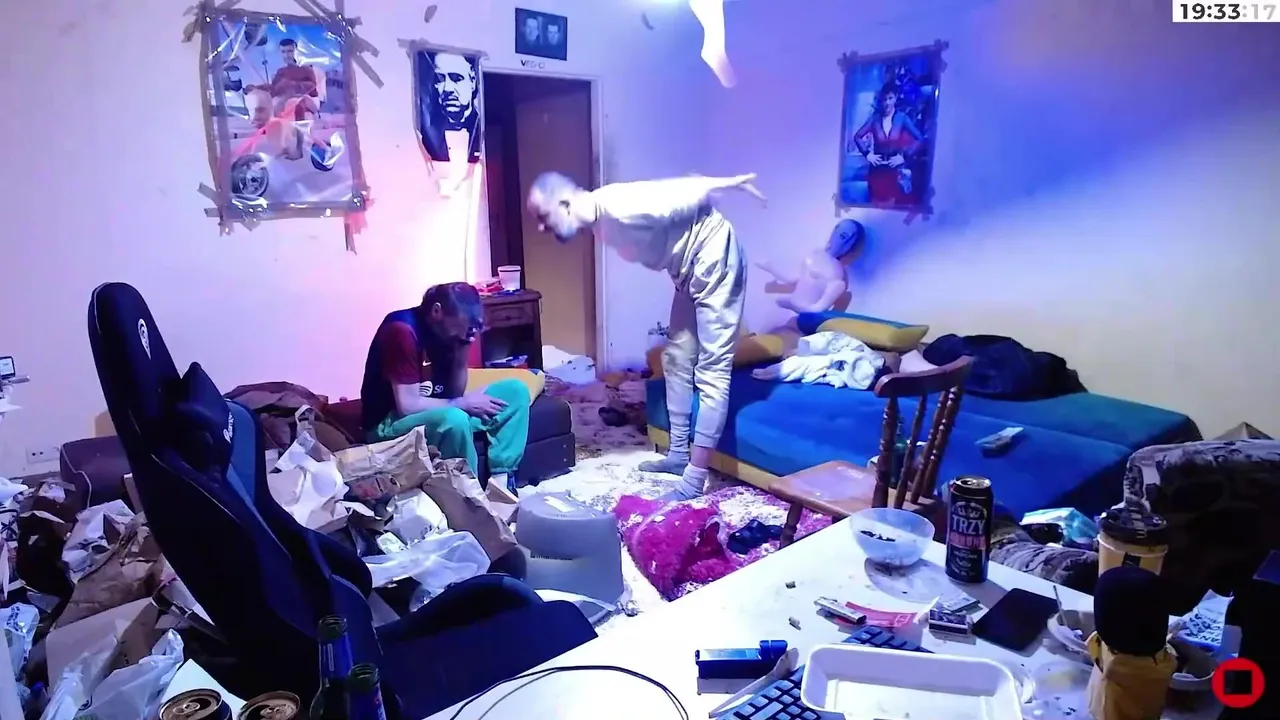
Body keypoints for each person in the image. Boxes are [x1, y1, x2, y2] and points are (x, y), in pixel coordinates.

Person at [526, 172, 765, 501]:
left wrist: (728, 182)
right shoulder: (599, 221)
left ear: (565, 204)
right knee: (676, 359)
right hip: (687, 271)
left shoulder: (618, 205)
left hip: (715, 262)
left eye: (543, 217)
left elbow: (681, 190)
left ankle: (694, 480)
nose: (542, 228)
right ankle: (678, 455)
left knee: (712, 370)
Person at [359, 282, 530, 489]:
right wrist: (463, 403)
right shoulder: (402, 331)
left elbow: (455, 392)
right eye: (460, 326)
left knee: (516, 391)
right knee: (454, 419)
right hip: (388, 423)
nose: (463, 332)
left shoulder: (452, 331)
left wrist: (463, 348)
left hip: (436, 410)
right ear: (436, 311)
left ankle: (501, 483)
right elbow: (407, 406)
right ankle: (468, 494)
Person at [851, 81, 924, 205]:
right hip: (876, 170)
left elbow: (919, 138)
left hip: (892, 170)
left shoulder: (902, 118)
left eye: (890, 98)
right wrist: (868, 154)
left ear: (895, 98)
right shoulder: (875, 118)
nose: (887, 103)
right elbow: (857, 137)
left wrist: (904, 156)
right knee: (874, 207)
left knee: (890, 206)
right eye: (884, 99)